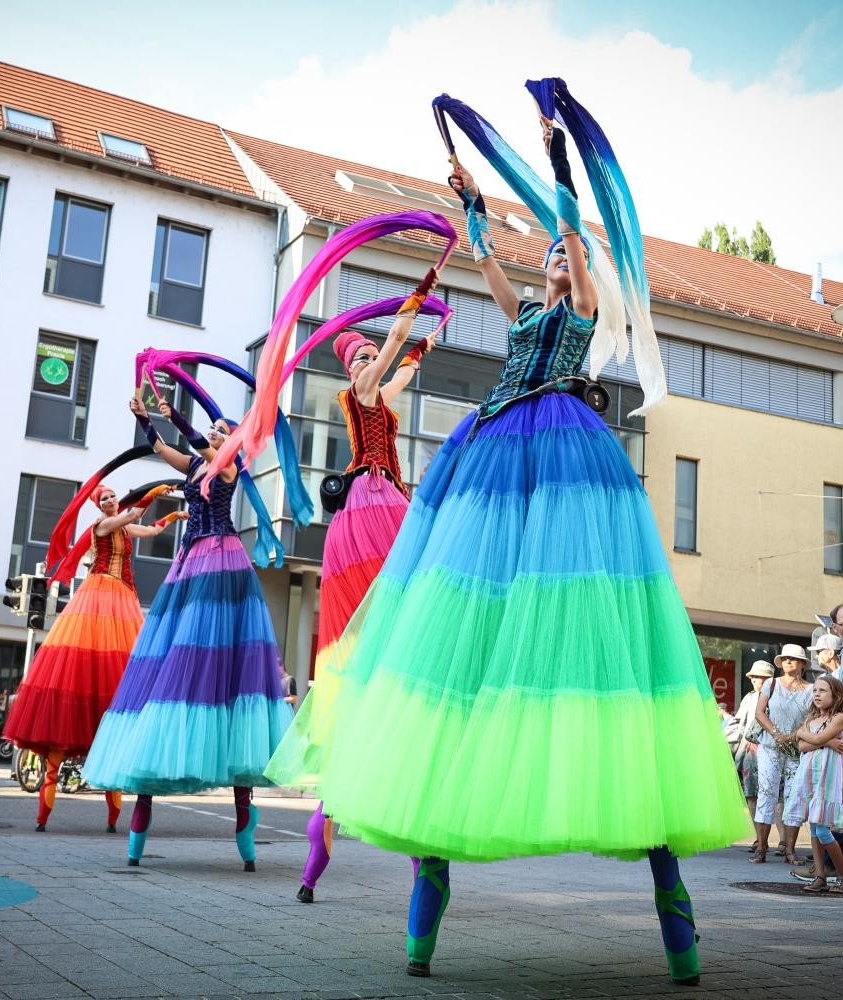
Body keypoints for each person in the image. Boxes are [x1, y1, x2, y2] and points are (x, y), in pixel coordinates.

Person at [267, 122, 749, 985]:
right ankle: (422, 930)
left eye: (565, 260)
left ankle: (678, 930)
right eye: (553, 261)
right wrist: (469, 203)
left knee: (575, 615)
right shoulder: (527, 312)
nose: (553, 266)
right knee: (464, 627)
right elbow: (488, 265)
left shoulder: (581, 314)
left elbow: (567, 234)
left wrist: (559, 163)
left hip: (562, 460)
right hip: (491, 461)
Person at [277, 281, 440, 904]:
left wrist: (423, 345)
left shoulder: (381, 394)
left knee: (393, 606)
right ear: (353, 366)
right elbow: (391, 352)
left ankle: (309, 880)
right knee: (389, 589)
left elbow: (403, 372)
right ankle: (312, 875)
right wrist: (417, 300)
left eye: (374, 353)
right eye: (364, 354)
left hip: (383, 498)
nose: (375, 358)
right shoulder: (359, 388)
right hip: (372, 500)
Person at [83, 399, 294, 870]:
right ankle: (141, 827)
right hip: (189, 567)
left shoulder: (227, 469)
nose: (214, 433)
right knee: (173, 665)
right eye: (213, 429)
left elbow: (212, 445)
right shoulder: (197, 463)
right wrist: (144, 413)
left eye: (222, 431)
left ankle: (244, 824)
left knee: (223, 665)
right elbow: (159, 447)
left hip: (220, 563)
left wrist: (189, 420)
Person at [4, 483, 175, 831]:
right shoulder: (101, 526)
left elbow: (150, 528)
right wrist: (156, 491)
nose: (110, 500)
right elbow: (134, 514)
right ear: (101, 506)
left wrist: (175, 514)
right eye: (104, 498)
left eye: (112, 495)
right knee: (89, 666)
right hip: (100, 596)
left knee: (115, 671)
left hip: (122, 598)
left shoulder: (123, 526)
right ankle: (44, 815)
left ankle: (112, 817)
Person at [749, 644, 813, 865]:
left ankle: (790, 850)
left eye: (793, 659)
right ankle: (761, 847)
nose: (788, 662)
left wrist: (792, 735)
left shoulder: (811, 689)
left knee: (794, 797)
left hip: (796, 749)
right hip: (769, 746)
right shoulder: (771, 683)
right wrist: (777, 734)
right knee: (766, 792)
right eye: (785, 658)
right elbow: (759, 712)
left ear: (803, 664)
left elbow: (811, 718)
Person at [782, 675, 843, 894]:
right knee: (815, 830)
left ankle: (842, 875)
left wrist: (808, 736)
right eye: (815, 690)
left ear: (836, 695)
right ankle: (820, 876)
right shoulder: (811, 720)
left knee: (824, 832)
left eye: (823, 691)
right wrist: (821, 740)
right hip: (811, 779)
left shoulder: (839, 718)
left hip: (827, 780)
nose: (817, 694)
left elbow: (813, 741)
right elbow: (802, 746)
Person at [729, 662, 776, 846]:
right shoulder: (748, 698)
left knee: (773, 795)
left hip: (770, 749)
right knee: (751, 794)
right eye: (754, 677)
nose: (756, 680)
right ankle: (759, 839)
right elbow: (737, 723)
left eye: (761, 677)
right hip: (748, 752)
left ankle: (782, 842)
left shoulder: (776, 695)